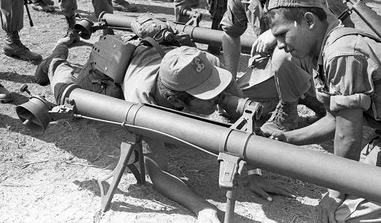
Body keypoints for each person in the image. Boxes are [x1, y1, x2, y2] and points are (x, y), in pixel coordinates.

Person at [34, 28, 293, 222]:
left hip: (159, 57)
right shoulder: (142, 102)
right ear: (174, 101)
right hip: (110, 72)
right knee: (68, 95)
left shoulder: (206, 65)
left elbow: (240, 120)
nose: (219, 97)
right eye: (208, 95)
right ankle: (57, 56)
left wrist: (252, 174)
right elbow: (158, 174)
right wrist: (201, 207)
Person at [264, 0, 381, 223]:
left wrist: (336, 191)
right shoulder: (324, 49)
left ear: (308, 21)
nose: (281, 46)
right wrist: (288, 138)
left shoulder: (341, 51)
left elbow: (348, 135)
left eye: (283, 34)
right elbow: (334, 120)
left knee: (342, 215)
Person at [220, 0, 332, 135]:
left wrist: (276, 33)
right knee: (232, 104)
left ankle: (298, 107)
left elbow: (323, 32)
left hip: (315, 68)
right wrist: (229, 81)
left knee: (284, 51)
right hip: (274, 67)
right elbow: (230, 34)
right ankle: (296, 96)